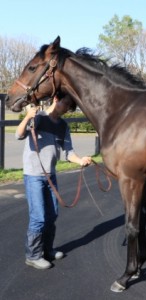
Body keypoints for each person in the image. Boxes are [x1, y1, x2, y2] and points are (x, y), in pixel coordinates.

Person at [16, 94, 92, 269]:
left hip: (51, 175)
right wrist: (27, 116)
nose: (66, 109)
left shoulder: (63, 126)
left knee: (52, 215)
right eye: (66, 103)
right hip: (33, 175)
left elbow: (68, 152)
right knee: (38, 217)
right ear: (56, 99)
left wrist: (80, 160)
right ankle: (33, 256)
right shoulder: (37, 117)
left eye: (70, 107)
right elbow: (19, 135)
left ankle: (47, 250)